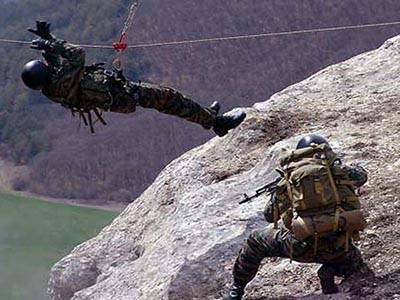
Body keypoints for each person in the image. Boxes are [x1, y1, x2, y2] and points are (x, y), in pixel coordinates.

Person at [21, 21, 246, 135]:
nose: (49, 66)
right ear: (45, 74)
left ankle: (207, 116)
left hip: (119, 91)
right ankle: (216, 123)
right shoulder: (60, 83)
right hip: (124, 96)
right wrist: (52, 44)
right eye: (46, 67)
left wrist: (48, 39)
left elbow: (58, 61)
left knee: (169, 98)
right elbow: (76, 54)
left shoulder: (53, 85)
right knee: (169, 98)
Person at [225, 134, 369, 300]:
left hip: (302, 248)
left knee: (256, 240)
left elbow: (269, 216)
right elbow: (362, 176)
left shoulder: (290, 181)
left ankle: (237, 289)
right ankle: (330, 268)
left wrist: (283, 187)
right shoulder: (340, 174)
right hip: (340, 248)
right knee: (355, 263)